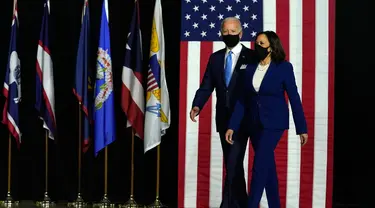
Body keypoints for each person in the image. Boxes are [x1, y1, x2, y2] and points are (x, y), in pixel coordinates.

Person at [225, 31, 308, 208]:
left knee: (259, 165)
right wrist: (232, 125)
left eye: (262, 44)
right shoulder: (250, 67)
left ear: (271, 47)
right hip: (253, 123)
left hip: (274, 124)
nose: (257, 47)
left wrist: (301, 128)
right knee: (267, 167)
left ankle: (251, 205)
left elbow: (294, 97)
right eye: (256, 43)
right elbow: (242, 99)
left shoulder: (284, 67)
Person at [190, 17, 257, 208]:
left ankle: (227, 205)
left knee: (233, 163)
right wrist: (197, 105)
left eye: (233, 31)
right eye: (226, 31)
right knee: (232, 165)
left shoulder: (251, 57)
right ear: (221, 33)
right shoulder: (216, 58)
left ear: (241, 33)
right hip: (223, 120)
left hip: (244, 119)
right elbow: (206, 85)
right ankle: (242, 204)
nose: (229, 35)